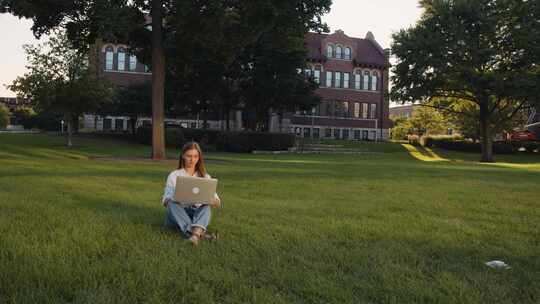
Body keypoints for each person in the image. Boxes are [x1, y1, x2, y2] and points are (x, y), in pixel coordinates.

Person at [162, 142, 221, 246]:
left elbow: (217, 202)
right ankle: (199, 233)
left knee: (206, 206)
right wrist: (173, 198)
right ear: (183, 156)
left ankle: (194, 236)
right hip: (178, 213)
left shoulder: (205, 177)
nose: (192, 160)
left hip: (196, 214)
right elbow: (165, 201)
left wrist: (213, 201)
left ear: (199, 158)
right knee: (172, 204)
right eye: (189, 156)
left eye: (195, 156)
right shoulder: (174, 175)